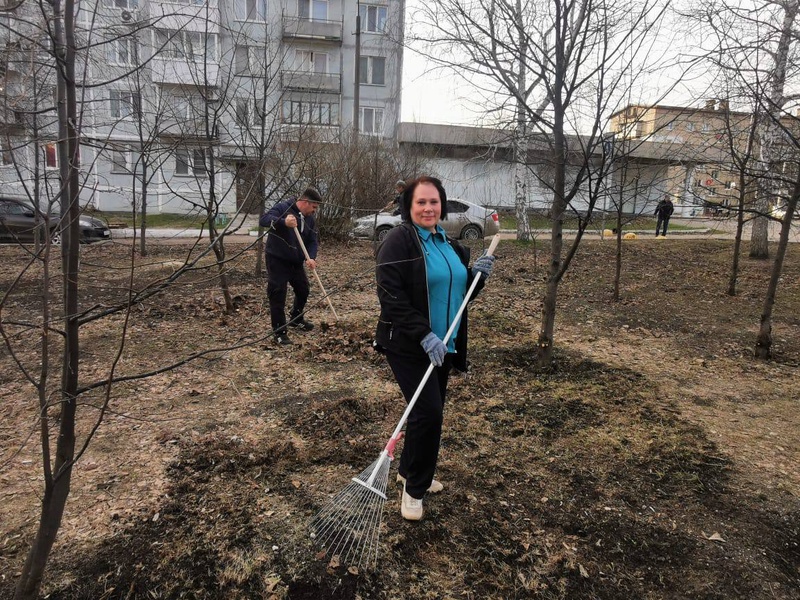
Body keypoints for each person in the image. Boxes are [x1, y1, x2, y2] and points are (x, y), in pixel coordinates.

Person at [374, 175, 495, 521]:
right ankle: (415, 491)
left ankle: (407, 470)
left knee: (425, 411)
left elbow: (460, 296)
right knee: (429, 413)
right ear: (408, 207)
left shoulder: (449, 244)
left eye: (434, 202)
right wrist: (423, 334)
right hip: (410, 345)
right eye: (421, 202)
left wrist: (477, 277)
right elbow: (391, 297)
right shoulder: (399, 243)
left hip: (445, 345)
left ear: (442, 205)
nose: (428, 208)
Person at [259, 188, 322, 346]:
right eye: (313, 207)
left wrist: (311, 257)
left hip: (295, 262)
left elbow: (313, 240)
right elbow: (264, 220)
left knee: (303, 289)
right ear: (305, 202)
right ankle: (279, 332)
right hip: (277, 259)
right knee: (278, 294)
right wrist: (283, 222)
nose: (314, 211)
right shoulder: (283, 208)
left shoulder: (309, 220)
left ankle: (296, 318)